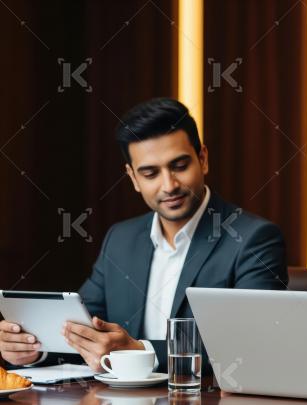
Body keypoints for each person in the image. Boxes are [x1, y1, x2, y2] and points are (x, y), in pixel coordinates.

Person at [0, 98, 288, 372]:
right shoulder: (121, 240)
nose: (169, 185)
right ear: (133, 178)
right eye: (150, 173)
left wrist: (140, 351)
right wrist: (33, 348)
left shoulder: (254, 239)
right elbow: (84, 328)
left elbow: (251, 347)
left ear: (203, 159)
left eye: (179, 166)